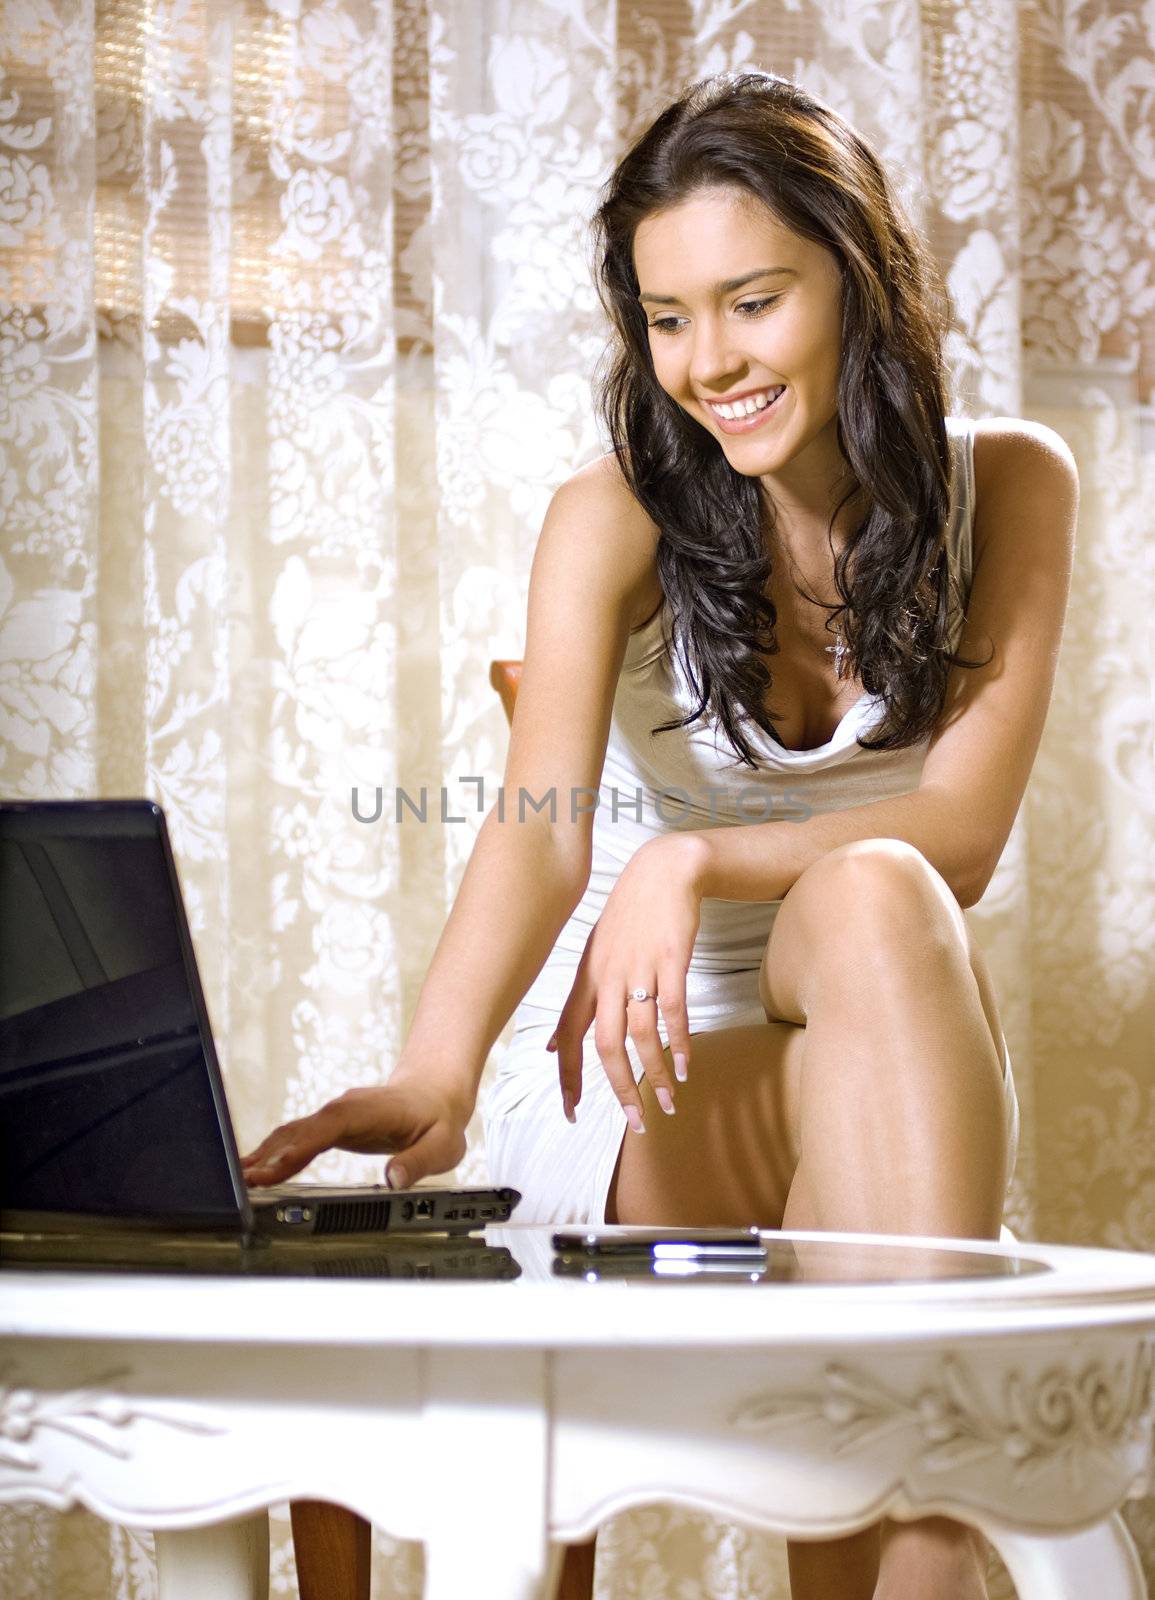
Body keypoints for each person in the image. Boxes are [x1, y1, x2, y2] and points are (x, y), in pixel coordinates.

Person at [243, 70, 1078, 1600]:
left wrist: (688, 856)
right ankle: (944, 1507)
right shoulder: (618, 512)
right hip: (652, 1088)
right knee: (914, 1422)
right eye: (668, 317)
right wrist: (436, 1074)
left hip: (877, 1069)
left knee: (883, 898)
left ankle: (930, 1508)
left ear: (855, 276)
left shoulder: (1011, 484)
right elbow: (539, 827)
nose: (709, 362)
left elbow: (959, 834)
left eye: (752, 301)